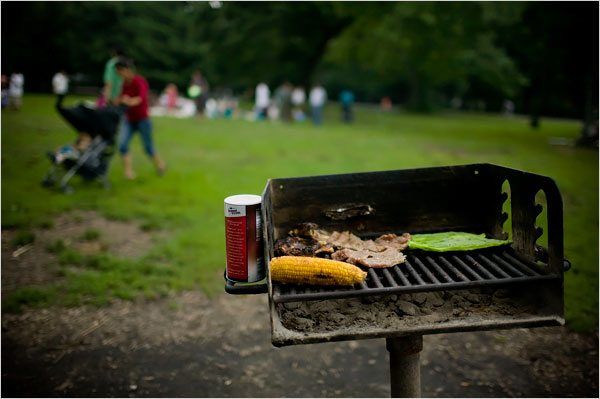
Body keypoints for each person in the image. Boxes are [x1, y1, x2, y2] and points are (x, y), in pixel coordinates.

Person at [114, 58, 166, 180]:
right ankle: (128, 172)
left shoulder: (139, 81)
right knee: (122, 145)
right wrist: (119, 100)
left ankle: (160, 165)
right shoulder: (124, 84)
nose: (119, 74)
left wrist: (128, 101)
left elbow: (141, 98)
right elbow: (120, 98)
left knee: (148, 147)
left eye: (120, 71)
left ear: (127, 70)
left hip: (143, 120)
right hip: (129, 119)